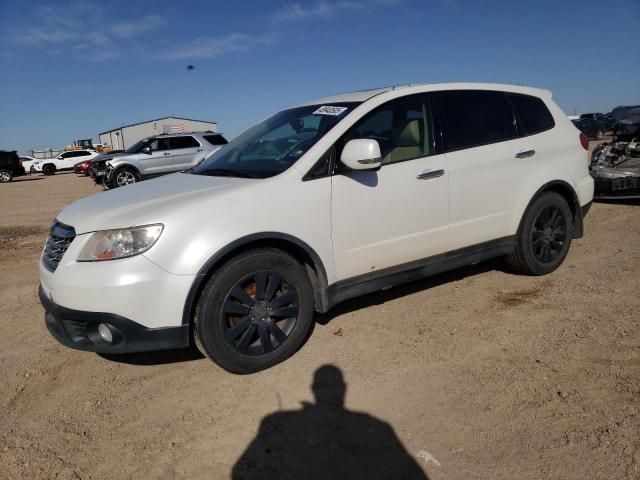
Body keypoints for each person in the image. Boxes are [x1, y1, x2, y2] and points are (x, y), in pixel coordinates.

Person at [232, 365, 428, 479]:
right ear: (344, 387)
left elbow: (239, 471)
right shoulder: (375, 426)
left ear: (313, 388)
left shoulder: (277, 421)